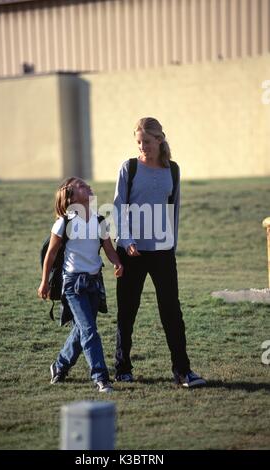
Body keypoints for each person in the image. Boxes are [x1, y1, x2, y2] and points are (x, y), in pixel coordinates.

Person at [113, 117, 206, 388]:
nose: (143, 147)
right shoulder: (129, 168)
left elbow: (174, 208)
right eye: (139, 142)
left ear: (160, 139)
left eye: (148, 142)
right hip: (132, 251)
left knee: (171, 311)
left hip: (163, 252)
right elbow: (119, 207)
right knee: (127, 311)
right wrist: (126, 240)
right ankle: (122, 368)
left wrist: (172, 246)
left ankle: (183, 371)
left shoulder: (172, 170)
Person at [38, 177, 123, 393]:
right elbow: (51, 255)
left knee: (82, 330)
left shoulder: (99, 220)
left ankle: (59, 366)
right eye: (81, 187)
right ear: (72, 198)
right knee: (89, 330)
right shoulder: (63, 223)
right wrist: (44, 282)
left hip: (95, 283)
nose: (88, 187)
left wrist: (117, 263)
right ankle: (101, 378)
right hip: (73, 285)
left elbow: (109, 248)